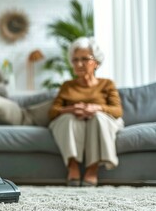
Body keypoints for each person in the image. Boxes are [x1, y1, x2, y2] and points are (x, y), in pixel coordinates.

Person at [48, 37, 124, 187]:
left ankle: (92, 168)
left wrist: (97, 108)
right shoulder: (67, 86)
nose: (79, 64)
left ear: (96, 62)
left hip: (101, 120)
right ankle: (73, 165)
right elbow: (52, 112)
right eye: (75, 60)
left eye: (84, 59)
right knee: (68, 118)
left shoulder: (106, 84)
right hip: (74, 122)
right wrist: (71, 109)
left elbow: (117, 111)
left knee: (98, 118)